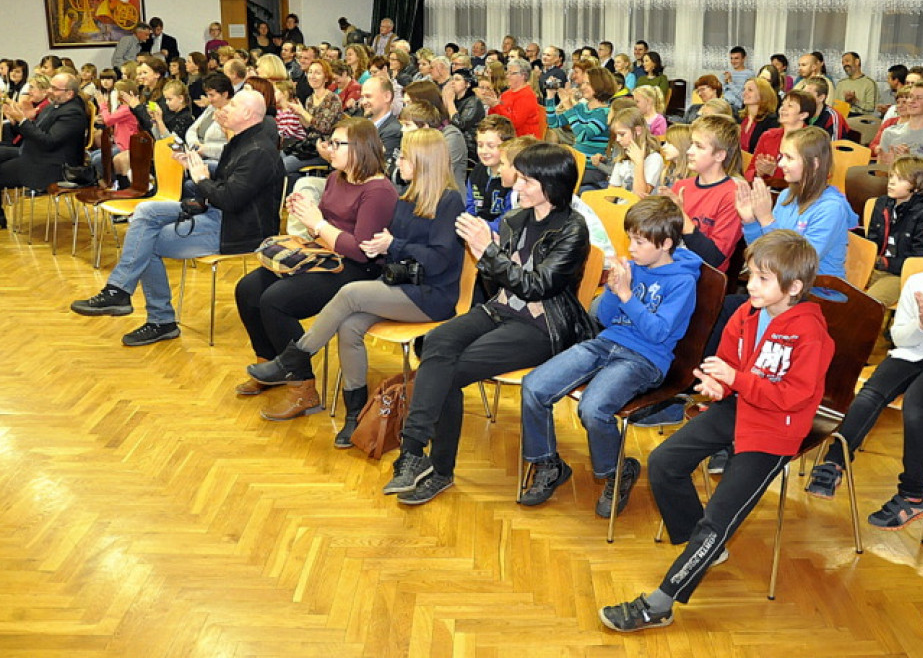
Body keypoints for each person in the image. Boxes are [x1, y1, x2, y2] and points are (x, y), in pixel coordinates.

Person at [599, 231, 833, 633]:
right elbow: (727, 362)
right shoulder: (746, 314)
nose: (751, 286)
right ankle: (704, 548)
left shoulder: (810, 333)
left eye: (763, 279)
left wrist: (736, 381)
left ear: (794, 288)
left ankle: (661, 603)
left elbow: (795, 397)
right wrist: (719, 384)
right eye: (752, 276)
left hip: (777, 428)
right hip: (740, 405)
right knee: (664, 462)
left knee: (719, 517)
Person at [383, 143, 596, 505]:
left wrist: (490, 252)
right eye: (521, 178)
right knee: (436, 343)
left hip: (543, 327)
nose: (519, 186)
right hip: (501, 310)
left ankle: (435, 466)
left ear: (553, 184)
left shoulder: (573, 230)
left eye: (528, 180)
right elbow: (498, 287)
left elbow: (536, 287)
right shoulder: (515, 219)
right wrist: (489, 255)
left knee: (446, 372)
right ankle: (414, 453)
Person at [247, 128, 463, 437]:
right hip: (401, 285)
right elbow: (389, 247)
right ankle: (356, 415)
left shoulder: (449, 201)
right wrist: (381, 247)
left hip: (431, 296)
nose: (397, 161)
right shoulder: (407, 197)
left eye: (403, 156)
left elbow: (439, 260)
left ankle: (296, 356)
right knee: (349, 327)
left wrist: (393, 246)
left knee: (349, 293)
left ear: (423, 161)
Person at [806, 214, 923, 529]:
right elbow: (900, 338)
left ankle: (913, 495)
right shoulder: (920, 282)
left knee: (917, 404)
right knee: (871, 393)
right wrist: (922, 325)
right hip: (915, 353)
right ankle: (834, 463)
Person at [518, 196, 701, 515]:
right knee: (534, 386)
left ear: (665, 243)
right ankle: (549, 464)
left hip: (645, 359)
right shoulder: (635, 266)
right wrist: (616, 290)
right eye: (630, 238)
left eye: (639, 241)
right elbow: (605, 316)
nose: (631, 247)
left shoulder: (683, 282)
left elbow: (658, 333)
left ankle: (618, 472)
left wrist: (628, 294)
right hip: (606, 343)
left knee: (593, 408)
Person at [69, 90, 284, 346]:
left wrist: (201, 178)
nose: (224, 108)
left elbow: (230, 199)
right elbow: (228, 184)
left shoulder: (258, 150)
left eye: (232, 105)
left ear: (248, 114)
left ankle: (158, 318)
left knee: (146, 242)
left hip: (237, 228)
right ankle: (120, 292)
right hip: (221, 214)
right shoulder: (243, 140)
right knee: (145, 212)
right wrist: (193, 164)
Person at [234, 117, 399, 413]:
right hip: (324, 256)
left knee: (276, 300)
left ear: (361, 147)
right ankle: (268, 363)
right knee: (248, 289)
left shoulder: (379, 191)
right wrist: (306, 215)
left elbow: (362, 252)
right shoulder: (337, 178)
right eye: (330, 142)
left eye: (337, 144)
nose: (329, 149)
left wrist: (318, 223)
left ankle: (303, 388)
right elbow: (321, 227)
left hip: (357, 270)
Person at [738, 126, 857, 280]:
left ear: (814, 164)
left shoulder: (831, 208)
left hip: (819, 292)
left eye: (789, 158)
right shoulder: (786, 196)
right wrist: (751, 222)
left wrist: (767, 219)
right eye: (781, 156)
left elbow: (798, 264)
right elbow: (763, 252)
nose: (780, 164)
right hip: (782, 284)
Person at [663, 115, 743, 271]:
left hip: (701, 279)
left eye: (699, 146)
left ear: (720, 155)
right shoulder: (681, 186)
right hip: (669, 267)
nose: (689, 151)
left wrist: (681, 216)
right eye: (692, 144)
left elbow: (714, 258)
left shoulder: (731, 195)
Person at [0, 72, 88, 208]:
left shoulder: (73, 113)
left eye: (54, 89)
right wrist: (18, 121)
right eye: (50, 87)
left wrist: (23, 121)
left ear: (69, 94)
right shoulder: (53, 106)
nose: (49, 91)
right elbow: (35, 132)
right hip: (36, 153)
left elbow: (48, 142)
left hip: (53, 165)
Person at [863, 156, 923, 307]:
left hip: (899, 275)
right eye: (891, 176)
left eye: (901, 178)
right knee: (840, 291)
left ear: (917, 186)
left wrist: (885, 263)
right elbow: (871, 240)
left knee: (867, 305)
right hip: (873, 266)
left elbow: (918, 259)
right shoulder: (882, 204)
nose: (892, 182)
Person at [744, 89, 815, 181]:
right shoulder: (768, 136)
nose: (782, 109)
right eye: (783, 105)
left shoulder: (811, 140)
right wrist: (759, 172)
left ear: (803, 115)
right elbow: (749, 172)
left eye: (790, 106)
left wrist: (774, 171)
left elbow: (809, 178)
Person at [545, 66, 616, 158]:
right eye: (583, 83)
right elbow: (553, 123)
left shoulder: (605, 113)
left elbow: (582, 135)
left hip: (592, 166)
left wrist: (569, 106)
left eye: (588, 84)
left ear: (601, 85)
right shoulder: (581, 107)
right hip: (577, 161)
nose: (583, 87)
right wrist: (550, 96)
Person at [876, 80, 923, 164]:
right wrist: (887, 164)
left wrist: (907, 162)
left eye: (919, 98)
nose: (912, 101)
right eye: (910, 97)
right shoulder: (889, 133)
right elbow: (879, 174)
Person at [465, 115, 516, 231]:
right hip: (477, 229)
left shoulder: (512, 178)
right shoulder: (476, 172)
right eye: (480, 145)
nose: (483, 151)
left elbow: (510, 218)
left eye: (491, 146)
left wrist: (482, 229)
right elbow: (470, 205)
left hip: (501, 234)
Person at [607, 107, 664, 196]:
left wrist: (638, 163)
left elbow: (640, 196)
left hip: (642, 209)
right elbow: (611, 193)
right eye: (616, 135)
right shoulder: (624, 156)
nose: (618, 139)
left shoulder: (654, 158)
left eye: (622, 134)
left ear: (638, 131)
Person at [479, 58, 541, 138]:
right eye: (507, 73)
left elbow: (513, 124)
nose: (507, 76)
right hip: (504, 136)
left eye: (511, 73)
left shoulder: (527, 95)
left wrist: (496, 105)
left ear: (523, 76)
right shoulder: (506, 94)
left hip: (523, 141)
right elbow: (494, 117)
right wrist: (492, 104)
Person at [441, 68, 485, 161]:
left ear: (467, 84)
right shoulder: (455, 100)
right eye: (452, 79)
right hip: (453, 141)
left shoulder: (474, 102)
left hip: (468, 146)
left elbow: (460, 125)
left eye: (457, 79)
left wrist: (449, 102)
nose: (452, 82)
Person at [738, 77, 779, 155]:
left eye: (750, 90)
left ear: (763, 94)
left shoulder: (771, 121)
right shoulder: (740, 117)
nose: (744, 93)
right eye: (744, 89)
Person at [835, 51, 878, 117]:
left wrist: (855, 101)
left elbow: (872, 109)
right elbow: (835, 106)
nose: (844, 65)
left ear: (857, 62)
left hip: (861, 123)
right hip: (842, 121)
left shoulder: (869, 83)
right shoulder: (841, 83)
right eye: (842, 63)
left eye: (847, 61)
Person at [721, 46, 753, 110]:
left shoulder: (749, 74)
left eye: (736, 58)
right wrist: (724, 82)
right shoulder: (726, 73)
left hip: (738, 107)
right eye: (731, 58)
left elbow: (744, 98)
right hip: (724, 105)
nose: (733, 61)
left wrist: (730, 82)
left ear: (744, 58)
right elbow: (721, 93)